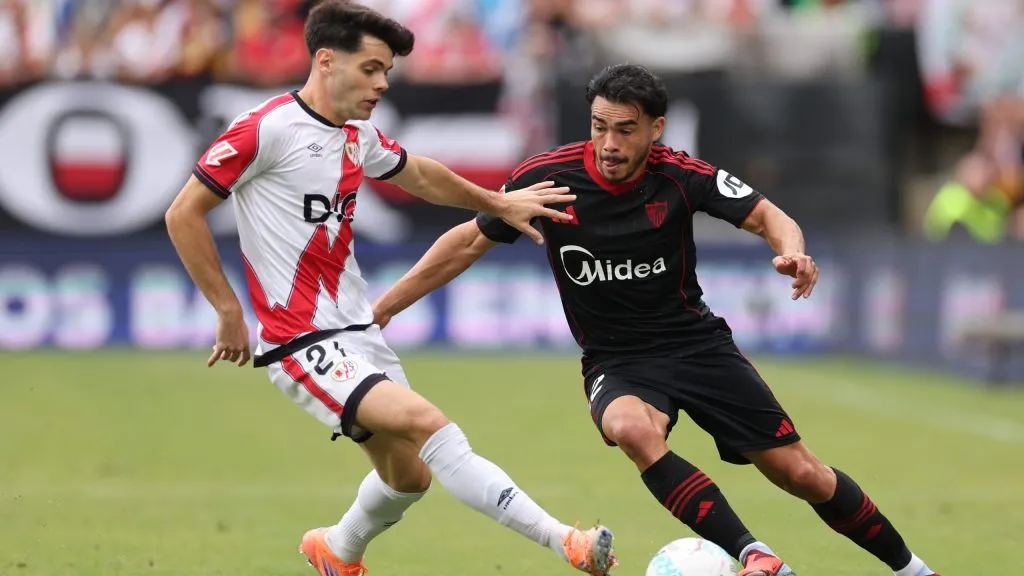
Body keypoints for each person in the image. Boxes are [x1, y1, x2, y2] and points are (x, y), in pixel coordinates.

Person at [372, 63, 942, 576]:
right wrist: (383, 309)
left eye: (625, 129)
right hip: (618, 360)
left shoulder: (681, 176)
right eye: (599, 126)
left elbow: (768, 215)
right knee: (630, 429)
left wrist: (793, 251)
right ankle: (755, 555)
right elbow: (467, 243)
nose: (609, 143)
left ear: (656, 129)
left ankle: (912, 569)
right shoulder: (548, 180)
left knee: (803, 475)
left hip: (697, 346)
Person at [163, 3, 616, 576]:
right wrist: (228, 311)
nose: (381, 83)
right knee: (431, 425)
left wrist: (498, 201)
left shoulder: (357, 134)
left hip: (356, 332)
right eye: (371, 68)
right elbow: (183, 214)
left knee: (410, 476)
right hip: (302, 341)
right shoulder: (267, 128)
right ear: (326, 61)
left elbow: (420, 175)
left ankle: (335, 550)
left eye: (387, 73)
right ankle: (567, 543)